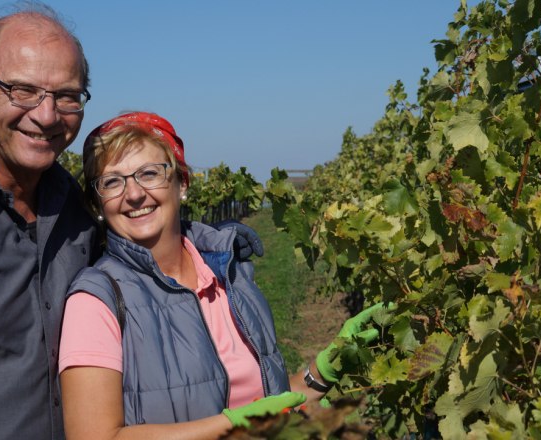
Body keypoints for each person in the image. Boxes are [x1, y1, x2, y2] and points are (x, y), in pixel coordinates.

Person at [0, 5, 261, 439]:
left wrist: (217, 248)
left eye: (67, 95)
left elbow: (155, 246)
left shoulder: (73, 205)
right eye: (22, 90)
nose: (47, 116)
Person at [59, 111, 389, 439]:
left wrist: (322, 371)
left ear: (182, 183)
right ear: (98, 204)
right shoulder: (96, 300)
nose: (133, 194)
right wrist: (234, 425)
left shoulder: (229, 275)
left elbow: (264, 404)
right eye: (112, 182)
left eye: (149, 173)